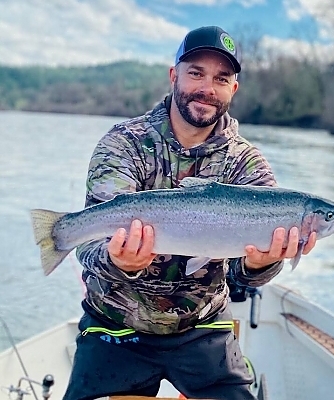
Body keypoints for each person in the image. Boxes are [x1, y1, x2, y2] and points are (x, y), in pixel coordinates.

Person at [63, 25, 316, 400]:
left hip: (203, 328)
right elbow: (89, 249)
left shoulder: (247, 165)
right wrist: (121, 262)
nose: (207, 88)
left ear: (234, 89)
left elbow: (246, 275)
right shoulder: (124, 143)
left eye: (221, 78)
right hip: (115, 326)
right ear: (173, 76)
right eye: (196, 73)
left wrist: (261, 265)